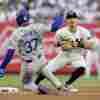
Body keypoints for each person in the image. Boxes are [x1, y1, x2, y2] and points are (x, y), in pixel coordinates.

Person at [35, 10, 97, 92]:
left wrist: (73, 44)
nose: (72, 20)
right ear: (66, 20)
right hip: (64, 54)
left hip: (77, 55)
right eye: (69, 18)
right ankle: (34, 83)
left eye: (73, 17)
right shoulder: (61, 31)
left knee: (82, 68)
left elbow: (90, 45)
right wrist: (61, 44)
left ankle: (67, 84)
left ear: (77, 19)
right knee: (47, 70)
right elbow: (55, 44)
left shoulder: (83, 31)